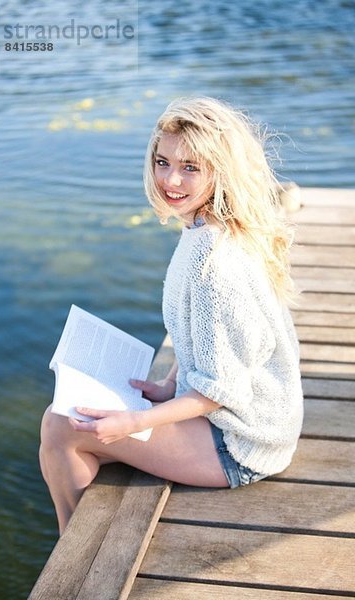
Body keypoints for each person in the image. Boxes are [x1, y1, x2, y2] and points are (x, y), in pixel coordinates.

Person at [40, 97, 303, 535]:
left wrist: (136, 421)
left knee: (63, 428)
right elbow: (203, 333)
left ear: (220, 171)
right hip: (249, 419)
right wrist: (167, 385)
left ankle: (73, 557)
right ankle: (76, 542)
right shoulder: (211, 228)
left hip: (241, 444)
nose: (171, 179)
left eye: (191, 167)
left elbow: (222, 392)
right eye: (162, 161)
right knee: (65, 428)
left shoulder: (213, 265)